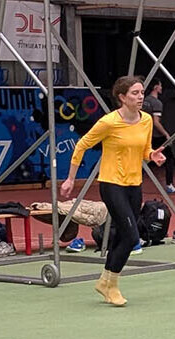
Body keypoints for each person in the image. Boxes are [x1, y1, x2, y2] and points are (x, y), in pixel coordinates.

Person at [60, 75, 164, 307]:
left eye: (142, 92)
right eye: (135, 93)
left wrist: (152, 155)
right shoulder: (108, 122)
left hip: (134, 185)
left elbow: (145, 149)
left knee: (122, 235)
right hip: (111, 184)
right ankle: (112, 285)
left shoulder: (146, 120)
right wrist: (70, 179)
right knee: (131, 237)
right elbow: (82, 145)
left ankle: (105, 282)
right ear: (122, 98)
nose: (140, 97)